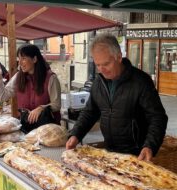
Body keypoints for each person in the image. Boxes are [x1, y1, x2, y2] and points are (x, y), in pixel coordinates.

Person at [66, 33, 168, 161]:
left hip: (136, 155)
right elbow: (90, 112)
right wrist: (76, 134)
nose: (102, 70)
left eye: (106, 64)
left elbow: (157, 117)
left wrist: (150, 146)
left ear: (119, 57)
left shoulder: (141, 81)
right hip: (110, 152)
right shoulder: (98, 82)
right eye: (98, 65)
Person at [0, 44, 61, 124]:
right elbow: (2, 97)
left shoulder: (51, 78)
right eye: (19, 59)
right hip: (26, 126)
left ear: (34, 59)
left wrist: (41, 108)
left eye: (24, 58)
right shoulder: (18, 77)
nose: (20, 63)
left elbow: (57, 104)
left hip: (47, 128)